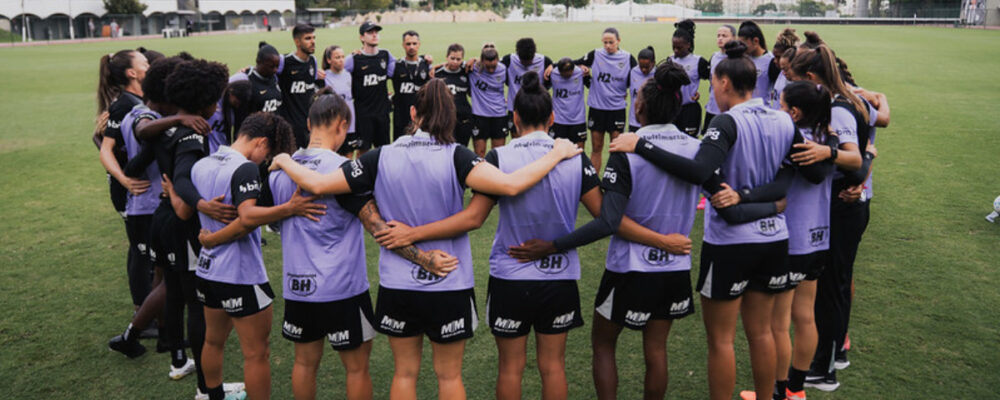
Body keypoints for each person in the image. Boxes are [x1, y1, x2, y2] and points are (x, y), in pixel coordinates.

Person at [268, 79, 583, 400]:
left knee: (404, 374)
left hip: (398, 284)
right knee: (449, 377)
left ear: (414, 113)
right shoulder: (459, 156)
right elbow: (512, 186)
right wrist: (556, 153)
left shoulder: (380, 156)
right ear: (450, 118)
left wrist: (286, 160)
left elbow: (319, 185)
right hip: (449, 280)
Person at [607, 41, 827, 400]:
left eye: (713, 85)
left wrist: (641, 145)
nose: (713, 91)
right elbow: (811, 173)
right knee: (762, 334)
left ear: (724, 83)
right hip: (774, 239)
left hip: (731, 241)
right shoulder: (783, 120)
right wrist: (771, 200)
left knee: (722, 340)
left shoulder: (726, 121)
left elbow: (698, 170)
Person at [373, 71, 600, 400]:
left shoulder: (499, 157)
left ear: (514, 118)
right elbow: (604, 216)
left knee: (510, 368)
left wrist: (413, 233)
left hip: (510, 274)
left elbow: (475, 216)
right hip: (559, 274)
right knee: (554, 366)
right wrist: (557, 245)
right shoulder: (575, 158)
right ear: (553, 117)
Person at [263, 94, 460, 400]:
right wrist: (423, 259)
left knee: (303, 363)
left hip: (296, 287)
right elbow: (379, 228)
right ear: (343, 125)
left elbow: (272, 223)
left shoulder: (279, 171)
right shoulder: (343, 171)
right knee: (356, 370)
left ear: (308, 123)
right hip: (342, 289)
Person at [193, 112, 321, 400]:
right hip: (240, 272)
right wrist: (289, 208)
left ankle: (212, 396)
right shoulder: (245, 169)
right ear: (261, 142)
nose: (265, 161)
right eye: (268, 154)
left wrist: (209, 239)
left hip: (207, 270)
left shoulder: (203, 162)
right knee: (257, 352)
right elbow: (248, 217)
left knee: (213, 341)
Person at [788, 44, 880, 393]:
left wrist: (827, 152)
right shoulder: (852, 99)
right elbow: (870, 145)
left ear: (812, 78)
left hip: (842, 206)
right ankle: (836, 354)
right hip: (850, 202)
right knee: (838, 283)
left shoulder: (840, 108)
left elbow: (855, 157)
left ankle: (824, 369)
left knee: (830, 288)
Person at [97, 49, 152, 311]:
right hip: (132, 190)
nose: (149, 65)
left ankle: (154, 306)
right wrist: (124, 180)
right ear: (132, 73)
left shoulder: (143, 99)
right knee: (140, 252)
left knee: (148, 249)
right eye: (144, 63)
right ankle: (143, 312)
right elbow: (106, 150)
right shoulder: (124, 105)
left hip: (145, 189)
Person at [572, 27, 637, 172]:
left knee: (616, 149)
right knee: (596, 148)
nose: (607, 45)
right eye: (605, 42)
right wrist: (581, 67)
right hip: (597, 108)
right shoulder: (595, 54)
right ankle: (595, 183)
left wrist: (626, 88)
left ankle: (613, 183)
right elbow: (572, 63)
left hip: (617, 109)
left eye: (611, 42)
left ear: (618, 41)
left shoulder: (627, 58)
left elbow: (638, 76)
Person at [342, 21, 395, 156]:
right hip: (363, 115)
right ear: (362, 37)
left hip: (382, 113)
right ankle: (361, 177)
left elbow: (402, 65)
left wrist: (425, 59)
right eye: (370, 32)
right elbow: (337, 74)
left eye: (376, 32)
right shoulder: (353, 59)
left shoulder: (386, 55)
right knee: (362, 151)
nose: (374, 35)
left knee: (383, 151)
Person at [278, 24, 323, 148]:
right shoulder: (284, 61)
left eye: (314, 38)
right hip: (290, 126)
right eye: (308, 38)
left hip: (309, 124)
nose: (313, 42)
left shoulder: (313, 61)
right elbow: (264, 70)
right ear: (297, 42)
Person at [501, 37, 553, 135]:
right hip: (516, 109)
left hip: (537, 108)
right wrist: (475, 60)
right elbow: (491, 63)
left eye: (529, 60)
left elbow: (560, 67)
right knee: (517, 142)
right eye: (523, 60)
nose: (526, 63)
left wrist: (553, 65)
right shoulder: (509, 60)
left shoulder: (544, 61)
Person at [668, 20, 711, 137]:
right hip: (672, 109)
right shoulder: (670, 61)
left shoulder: (699, 62)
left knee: (691, 143)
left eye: (679, 48)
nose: (676, 50)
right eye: (674, 47)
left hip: (690, 110)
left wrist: (695, 92)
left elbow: (714, 80)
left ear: (688, 45)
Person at [391, 30, 434, 141]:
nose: (411, 47)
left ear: (419, 44)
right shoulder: (396, 65)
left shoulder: (427, 65)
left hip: (422, 116)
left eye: (414, 43)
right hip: (401, 115)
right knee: (400, 148)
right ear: (403, 45)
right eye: (408, 44)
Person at [468, 43, 508, 157]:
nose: (491, 69)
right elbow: (452, 64)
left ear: (497, 60)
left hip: (499, 115)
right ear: (481, 60)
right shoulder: (473, 68)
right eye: (488, 66)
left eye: (493, 66)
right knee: (479, 154)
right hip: (479, 116)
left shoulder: (503, 69)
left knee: (497, 154)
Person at [435, 43, 474, 147]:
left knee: (462, 148)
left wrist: (474, 59)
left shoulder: (466, 72)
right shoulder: (437, 74)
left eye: (458, 59)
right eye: (452, 58)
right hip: (445, 119)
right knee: (446, 148)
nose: (455, 62)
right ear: (446, 57)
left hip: (464, 118)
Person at [232, 42, 284, 114]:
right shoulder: (245, 79)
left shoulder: (275, 78)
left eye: (277, 66)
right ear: (258, 61)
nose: (275, 70)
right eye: (271, 66)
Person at [547, 57, 588, 147]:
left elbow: (591, 85)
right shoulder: (552, 73)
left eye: (569, 73)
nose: (566, 75)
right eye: (563, 74)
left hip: (578, 120)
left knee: (579, 153)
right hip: (558, 120)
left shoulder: (581, 73)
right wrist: (553, 65)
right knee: (556, 152)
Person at [322, 45, 357, 148]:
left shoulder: (348, 75)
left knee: (349, 155)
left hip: (350, 124)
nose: (341, 60)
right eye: (337, 57)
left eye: (343, 57)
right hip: (333, 124)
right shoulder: (324, 76)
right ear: (329, 60)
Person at [736, 21, 780, 102]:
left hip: (762, 111)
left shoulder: (771, 61)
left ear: (755, 41)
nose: (741, 47)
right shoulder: (743, 59)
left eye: (743, 44)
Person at [704, 24, 736, 133]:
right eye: (718, 35)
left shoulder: (737, 59)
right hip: (711, 108)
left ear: (734, 38)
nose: (720, 38)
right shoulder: (714, 57)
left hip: (728, 110)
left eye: (724, 35)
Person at [768, 29, 799, 110]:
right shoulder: (782, 73)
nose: (774, 61)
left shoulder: (792, 79)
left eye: (778, 57)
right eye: (774, 57)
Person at [627, 47, 655, 133]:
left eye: (647, 67)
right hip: (634, 122)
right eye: (641, 66)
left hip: (652, 123)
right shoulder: (632, 72)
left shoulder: (658, 74)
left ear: (653, 63)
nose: (643, 69)